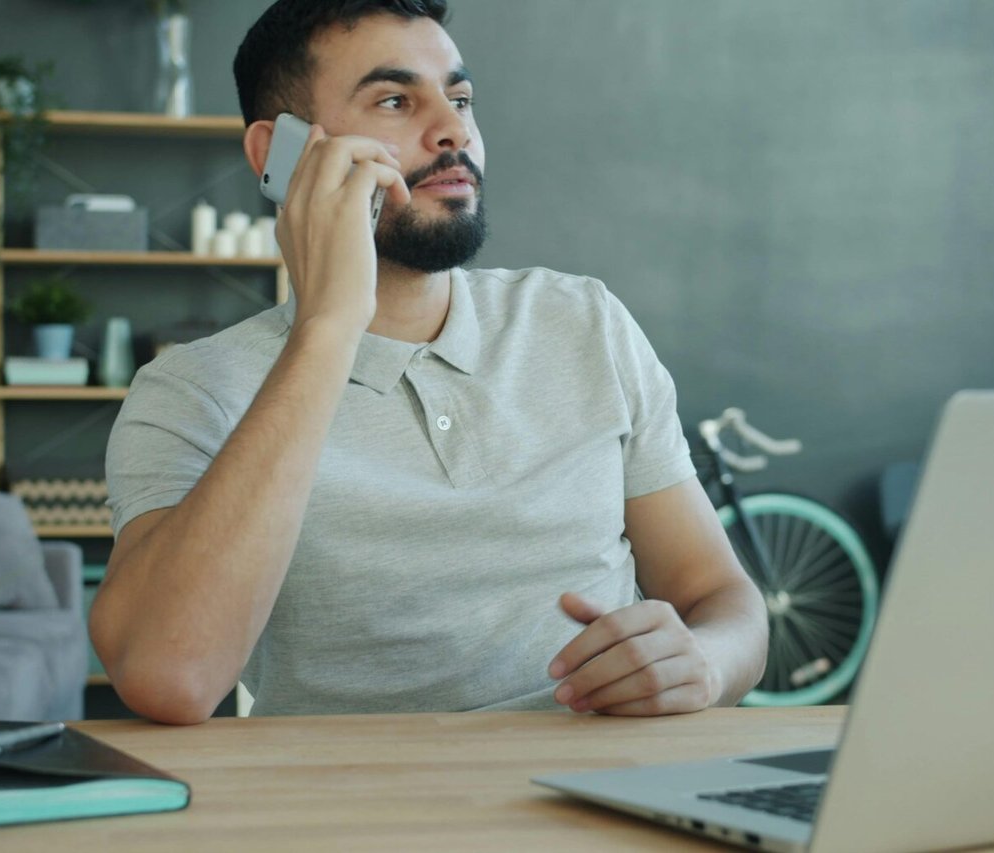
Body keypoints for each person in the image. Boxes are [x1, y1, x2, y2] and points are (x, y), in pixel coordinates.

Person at [91, 0, 767, 724]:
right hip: (352, 816)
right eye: (394, 99)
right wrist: (327, 328)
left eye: (461, 97)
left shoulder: (584, 323)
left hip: (607, 793)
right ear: (277, 154)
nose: (455, 129)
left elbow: (724, 602)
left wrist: (704, 661)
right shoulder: (191, 391)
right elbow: (170, 676)